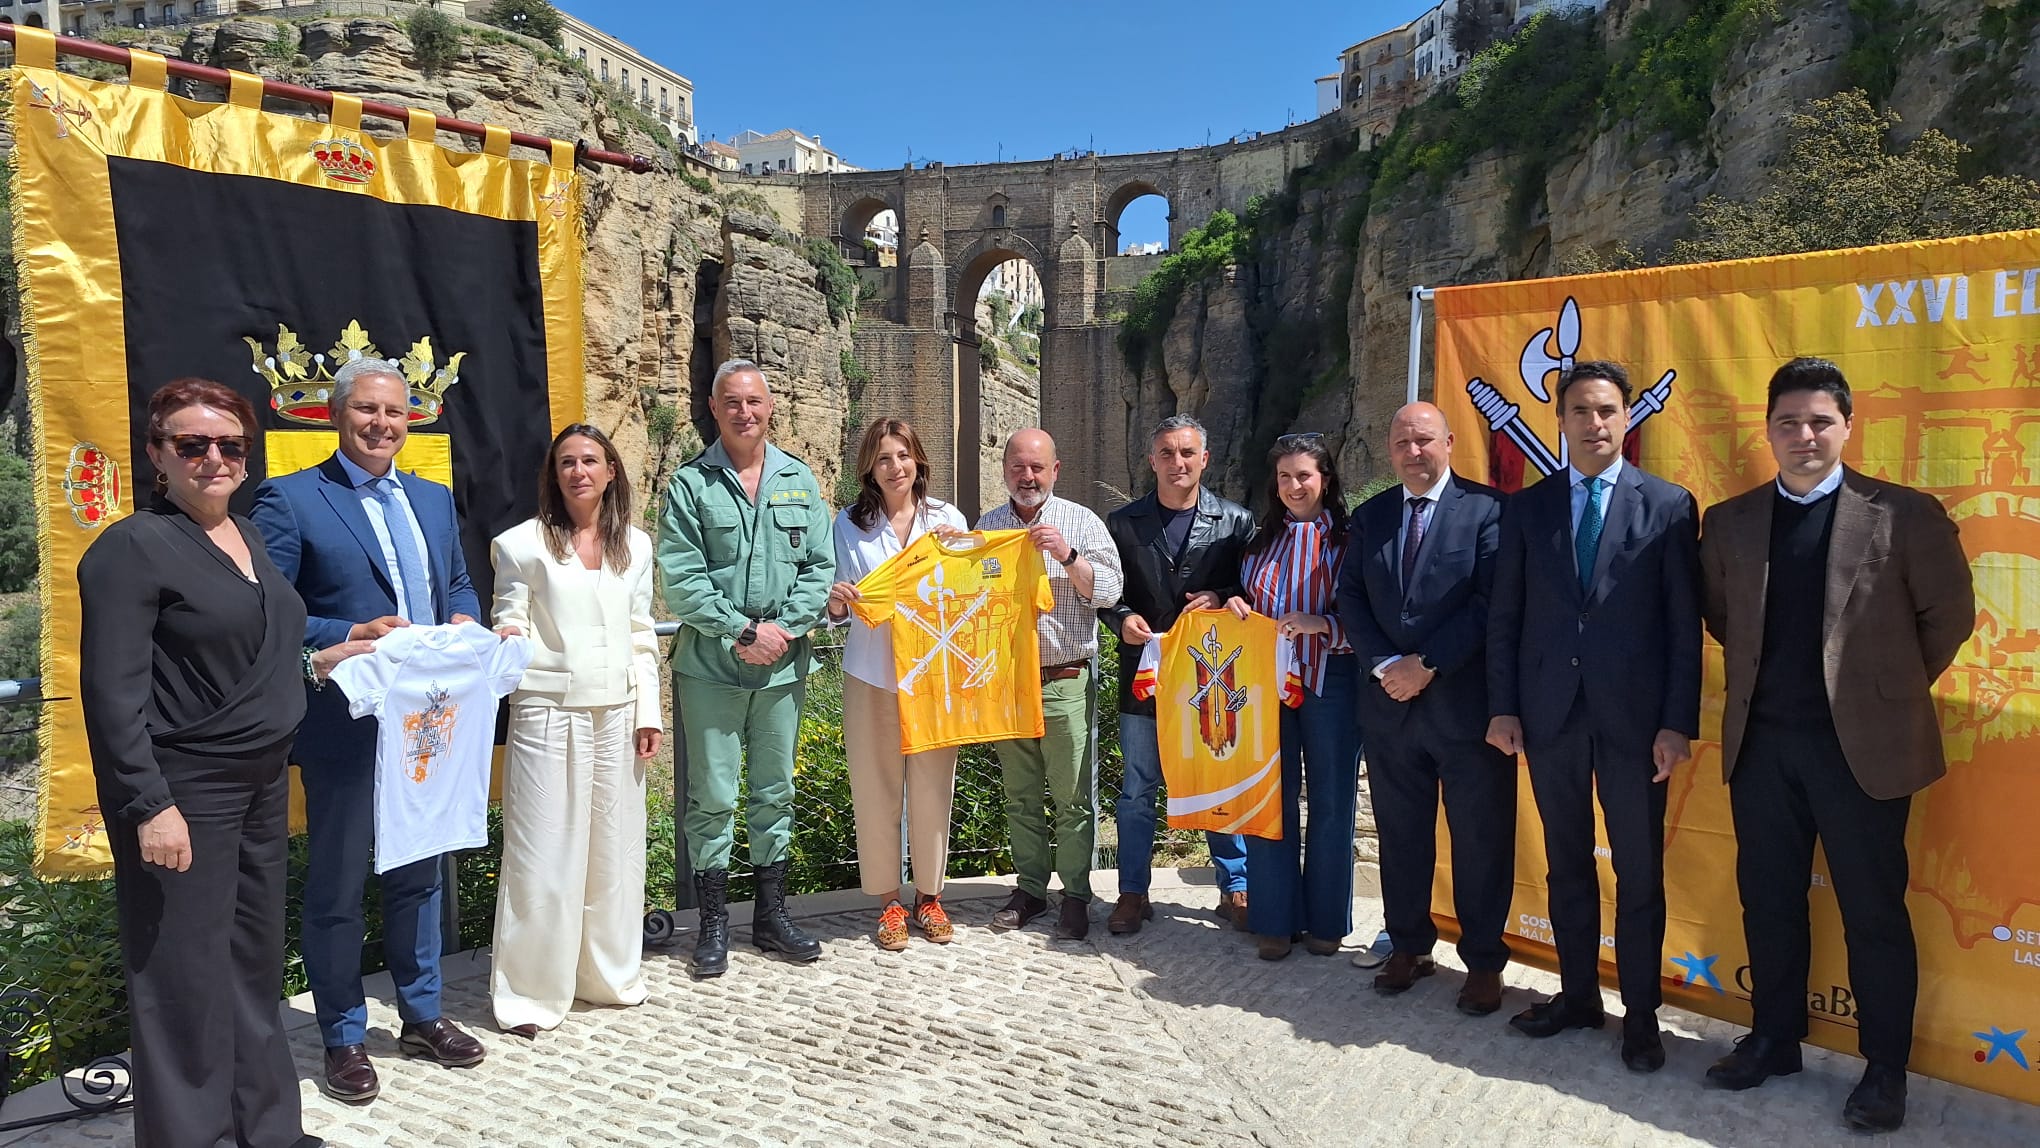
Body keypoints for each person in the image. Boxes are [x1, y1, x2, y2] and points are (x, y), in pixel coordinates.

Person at [79, 378, 365, 1148]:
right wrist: (149, 805)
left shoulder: (249, 537)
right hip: (184, 789)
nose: (213, 458)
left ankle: (267, 1130)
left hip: (262, 780)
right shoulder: (131, 547)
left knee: (250, 963)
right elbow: (111, 697)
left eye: (230, 444)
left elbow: (253, 655)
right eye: (191, 444)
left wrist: (326, 658)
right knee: (178, 975)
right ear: (157, 455)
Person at [1698, 359, 1974, 1132]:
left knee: (1873, 913)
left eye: (1819, 421)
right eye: (1788, 422)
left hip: (1867, 754)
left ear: (1848, 426)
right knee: (1772, 903)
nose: (1804, 435)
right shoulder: (1730, 521)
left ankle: (1885, 1072)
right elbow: (1723, 617)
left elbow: (1947, 619)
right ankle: (1774, 1040)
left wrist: (1879, 691)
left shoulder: (1906, 515)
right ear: (1769, 431)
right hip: (1763, 750)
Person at [251, 357, 487, 1102]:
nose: (383, 425)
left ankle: (421, 1014)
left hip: (427, 721)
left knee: (419, 872)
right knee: (339, 884)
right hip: (346, 723)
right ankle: (344, 1035)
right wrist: (354, 626)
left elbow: (455, 579)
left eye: (395, 413)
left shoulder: (434, 498)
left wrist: (465, 619)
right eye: (367, 412)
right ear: (334, 414)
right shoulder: (290, 499)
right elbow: (269, 606)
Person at [1486, 360, 1701, 1073]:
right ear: (1562, 419)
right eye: (1581, 410)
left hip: (1637, 727)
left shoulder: (1669, 506)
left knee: (1638, 873)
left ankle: (1641, 1015)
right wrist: (1504, 707)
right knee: (1566, 863)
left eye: (1608, 410)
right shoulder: (1527, 507)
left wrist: (1676, 722)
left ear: (1627, 418)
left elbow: (1681, 627)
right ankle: (1578, 995)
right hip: (1549, 718)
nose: (1595, 423)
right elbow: (1507, 617)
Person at [657, 359, 835, 978]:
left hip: (782, 666)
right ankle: (712, 924)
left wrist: (782, 629)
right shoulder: (689, 484)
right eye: (732, 402)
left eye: (754, 401)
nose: (744, 412)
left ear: (770, 407)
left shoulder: (799, 481)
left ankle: (770, 915)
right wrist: (741, 631)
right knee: (711, 796)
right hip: (712, 666)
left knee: (774, 790)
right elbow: (681, 577)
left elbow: (819, 566)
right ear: (714, 407)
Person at [1337, 403, 1515, 1012]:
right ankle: (1409, 945)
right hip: (1390, 709)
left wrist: (1427, 664)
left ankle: (1485, 962)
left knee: (1480, 840)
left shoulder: (1490, 511)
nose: (1413, 452)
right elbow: (1351, 600)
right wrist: (1387, 666)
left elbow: (1492, 603)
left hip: (1466, 709)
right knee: (1402, 836)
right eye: (1402, 442)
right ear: (1389, 450)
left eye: (1424, 440)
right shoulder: (1371, 517)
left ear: (1450, 443)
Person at [487, 424, 664, 1036]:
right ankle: (531, 994)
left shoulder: (636, 547)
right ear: (553, 473)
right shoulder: (520, 545)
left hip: (619, 714)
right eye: (567, 462)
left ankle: (607, 976)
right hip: (547, 713)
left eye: (591, 460)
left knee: (614, 852)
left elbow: (642, 636)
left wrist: (649, 713)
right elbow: (508, 620)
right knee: (542, 854)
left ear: (611, 471)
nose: (579, 471)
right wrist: (509, 639)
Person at [1100, 414, 1256, 934]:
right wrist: (1121, 620)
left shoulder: (1237, 522)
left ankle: (1235, 886)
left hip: (1213, 679)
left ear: (1204, 459)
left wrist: (1225, 595)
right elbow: (1106, 593)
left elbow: (1254, 587)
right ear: (1152, 461)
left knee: (1218, 781)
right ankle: (1132, 892)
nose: (1177, 463)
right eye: (1166, 453)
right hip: (1144, 677)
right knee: (1139, 787)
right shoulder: (1122, 524)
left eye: (1187, 453)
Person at [823, 418, 970, 951]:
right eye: (884, 458)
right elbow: (835, 602)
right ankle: (887, 901)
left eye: (903, 456)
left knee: (934, 785)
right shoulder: (847, 524)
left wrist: (964, 551)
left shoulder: (947, 519)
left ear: (919, 461)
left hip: (934, 672)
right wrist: (838, 602)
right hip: (872, 674)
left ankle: (929, 897)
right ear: (869, 467)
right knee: (875, 786)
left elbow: (973, 585)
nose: (895, 467)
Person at [979, 429, 1124, 940]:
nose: (1028, 477)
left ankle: (1077, 895)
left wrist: (1068, 555)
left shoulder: (1080, 521)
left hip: (1065, 679)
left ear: (1055, 471)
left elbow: (1109, 591)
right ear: (1004, 470)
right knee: (1019, 796)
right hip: (1008, 684)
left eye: (1038, 467)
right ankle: (1031, 890)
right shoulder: (988, 528)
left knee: (1073, 797)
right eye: (1018, 467)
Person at [1225, 433, 1361, 961]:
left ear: (1325, 479)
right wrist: (1230, 601)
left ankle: (1326, 921)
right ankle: (1274, 918)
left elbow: (1368, 616)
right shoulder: (1261, 542)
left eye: (1303, 475)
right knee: (1270, 802)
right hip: (1267, 689)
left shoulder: (1351, 542)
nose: (1293, 486)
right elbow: (1244, 598)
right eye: (1284, 477)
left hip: (1332, 683)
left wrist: (1323, 624)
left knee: (1331, 803)